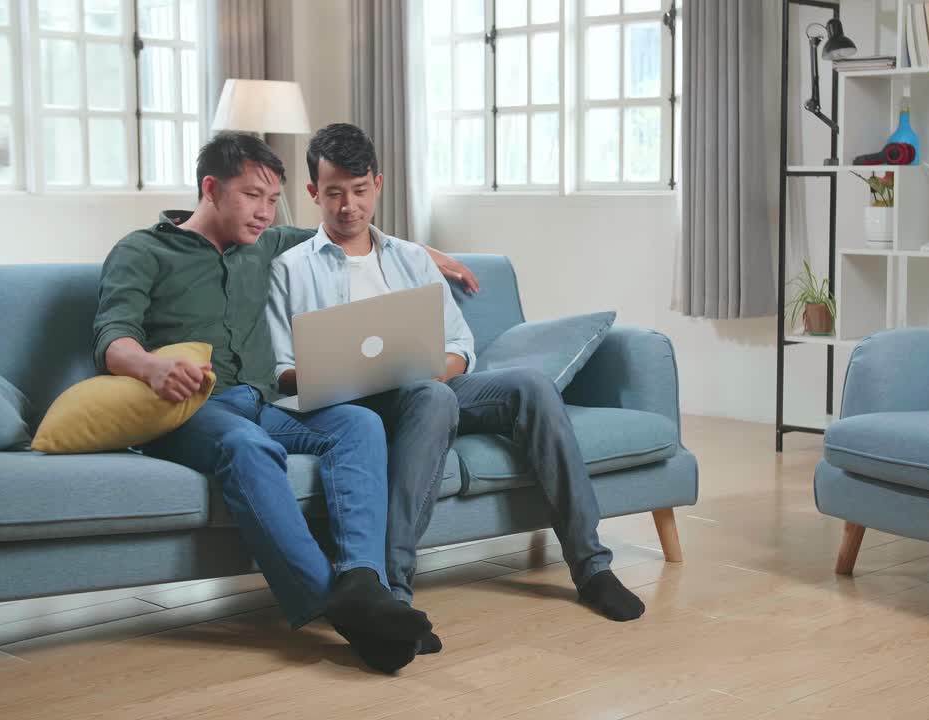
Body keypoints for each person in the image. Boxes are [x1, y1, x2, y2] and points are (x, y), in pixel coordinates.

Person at [267, 124, 647, 645]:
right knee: (432, 396)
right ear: (314, 194)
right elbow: (281, 370)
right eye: (333, 193)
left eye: (359, 191)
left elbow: (460, 347)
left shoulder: (411, 258)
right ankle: (395, 594)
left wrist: (430, 368)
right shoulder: (290, 269)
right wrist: (335, 370)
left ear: (377, 184)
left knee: (529, 387)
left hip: (425, 388)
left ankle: (592, 568)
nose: (348, 206)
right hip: (350, 404)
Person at [93, 131, 438, 674]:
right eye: (253, 196)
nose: (264, 212)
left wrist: (436, 256)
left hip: (268, 404)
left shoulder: (267, 243)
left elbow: (349, 231)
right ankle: (345, 611)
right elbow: (113, 336)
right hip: (191, 412)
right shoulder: (144, 250)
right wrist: (151, 366)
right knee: (247, 446)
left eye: (273, 200)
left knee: (358, 423)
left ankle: (363, 578)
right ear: (211, 188)